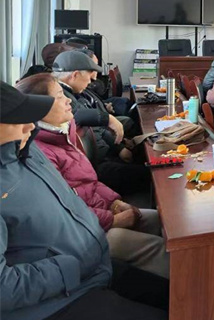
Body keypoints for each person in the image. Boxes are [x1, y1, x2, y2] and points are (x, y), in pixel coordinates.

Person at [0, 81, 168, 320]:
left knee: (177, 299)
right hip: (46, 306)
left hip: (92, 269)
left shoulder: (28, 153)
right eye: (18, 120)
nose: (30, 126)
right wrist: (68, 268)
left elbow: (72, 199)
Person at [15, 74, 168, 279]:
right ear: (39, 107)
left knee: (162, 220)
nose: (69, 100)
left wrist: (114, 202)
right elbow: (65, 212)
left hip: (98, 213)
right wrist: (112, 220)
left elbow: (90, 182)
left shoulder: (64, 134)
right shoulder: (41, 153)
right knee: (164, 249)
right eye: (60, 96)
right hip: (82, 234)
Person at [52, 50, 150, 195]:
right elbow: (76, 115)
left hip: (101, 154)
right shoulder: (60, 96)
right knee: (151, 175)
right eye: (88, 77)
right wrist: (108, 118)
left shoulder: (74, 92)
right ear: (75, 75)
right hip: (96, 166)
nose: (91, 81)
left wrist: (119, 147)